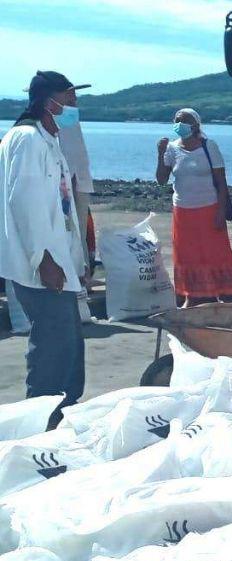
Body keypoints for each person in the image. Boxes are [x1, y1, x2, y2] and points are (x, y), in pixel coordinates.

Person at [0, 71, 88, 413]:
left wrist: (76, 260)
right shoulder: (27, 140)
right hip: (39, 264)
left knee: (68, 344)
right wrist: (45, 260)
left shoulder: (48, 140)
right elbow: (25, 203)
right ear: (49, 101)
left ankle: (65, 409)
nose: (73, 107)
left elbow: (60, 208)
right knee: (52, 346)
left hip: (58, 261)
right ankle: (40, 417)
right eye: (70, 101)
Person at [156, 108, 232, 306]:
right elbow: (161, 179)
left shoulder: (208, 146)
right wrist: (160, 154)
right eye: (176, 120)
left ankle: (220, 293)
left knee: (212, 253)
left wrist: (221, 211)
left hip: (209, 208)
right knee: (187, 254)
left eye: (184, 120)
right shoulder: (171, 148)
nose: (179, 123)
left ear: (195, 125)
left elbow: (221, 182)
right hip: (183, 211)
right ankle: (192, 295)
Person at [56, 82, 94, 283]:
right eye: (69, 97)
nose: (74, 101)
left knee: (81, 229)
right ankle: (74, 273)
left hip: (79, 181)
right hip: (65, 184)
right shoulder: (53, 121)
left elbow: (78, 154)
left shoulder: (72, 119)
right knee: (69, 229)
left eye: (74, 97)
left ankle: (83, 272)